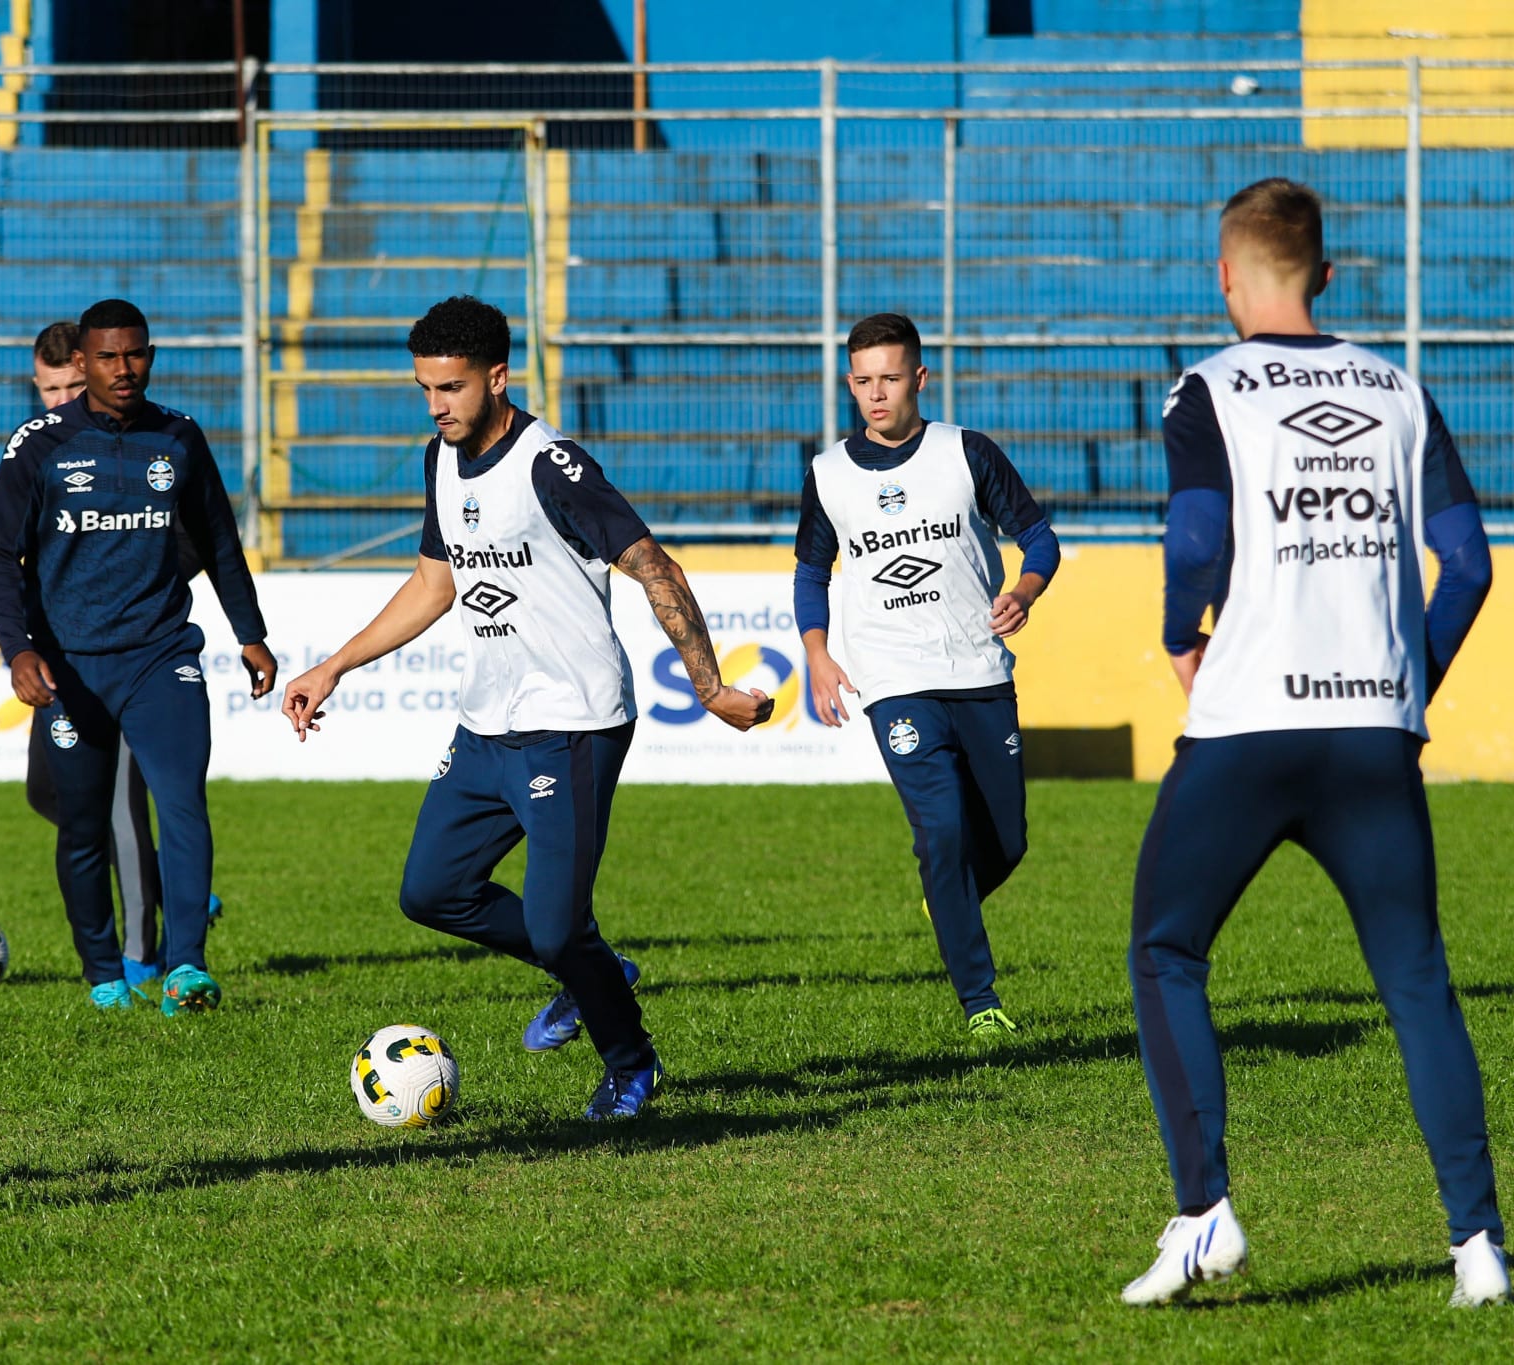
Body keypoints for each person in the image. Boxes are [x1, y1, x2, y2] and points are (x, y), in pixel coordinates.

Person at [1121, 179, 1503, 1308]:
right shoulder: (1395, 388)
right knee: (1418, 982)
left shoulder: (1210, 386)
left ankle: (1203, 1216)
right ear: (1326, 276)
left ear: (1226, 278)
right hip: (1370, 735)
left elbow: (1194, 535)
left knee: (1166, 951)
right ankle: (1477, 1248)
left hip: (1247, 725)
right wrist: (1405, 679)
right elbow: (1470, 565)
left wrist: (1177, 629)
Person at [281, 296, 772, 1121]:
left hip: (572, 723)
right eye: (425, 388)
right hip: (486, 724)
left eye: (452, 387)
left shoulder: (553, 466)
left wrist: (709, 687)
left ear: (498, 377)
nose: (436, 405)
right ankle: (598, 969)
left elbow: (657, 569)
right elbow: (437, 583)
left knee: (554, 928)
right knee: (432, 891)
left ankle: (632, 1062)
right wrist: (334, 665)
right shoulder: (439, 459)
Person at [0, 299, 274, 1016]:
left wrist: (250, 633)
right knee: (82, 823)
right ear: (80, 363)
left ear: (150, 354)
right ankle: (104, 972)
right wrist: (18, 650)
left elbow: (220, 541)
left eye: (136, 354)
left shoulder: (178, 437)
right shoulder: (38, 445)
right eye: (108, 357)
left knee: (180, 802)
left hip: (160, 656)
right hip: (71, 668)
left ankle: (185, 967)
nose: (124, 369)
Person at [792, 312, 1059, 1040]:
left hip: (978, 667)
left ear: (919, 378)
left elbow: (1039, 538)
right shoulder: (828, 474)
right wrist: (818, 653)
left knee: (1007, 841)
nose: (876, 394)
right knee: (940, 829)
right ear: (850, 383)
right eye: (862, 381)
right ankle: (982, 1001)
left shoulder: (966, 452)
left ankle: (947, 895)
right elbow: (812, 570)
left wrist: (1024, 592)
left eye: (890, 378)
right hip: (892, 679)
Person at [17, 321, 221, 988]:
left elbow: (194, 540)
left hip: (139, 653)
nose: (62, 397)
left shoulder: (151, 445)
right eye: (50, 388)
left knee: (120, 805)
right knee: (49, 793)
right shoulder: (42, 452)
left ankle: (141, 958)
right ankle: (168, 884)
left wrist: (129, 582)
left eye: (72, 384)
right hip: (61, 657)